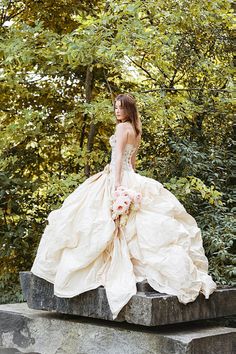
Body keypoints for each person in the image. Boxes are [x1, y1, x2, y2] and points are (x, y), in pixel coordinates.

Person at [31, 94, 216, 319]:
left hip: (117, 177)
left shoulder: (121, 129)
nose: (117, 111)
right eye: (115, 108)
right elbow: (133, 162)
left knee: (94, 221)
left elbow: (119, 157)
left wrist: (116, 186)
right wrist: (131, 182)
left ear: (128, 109)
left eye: (120, 108)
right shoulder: (136, 130)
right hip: (131, 177)